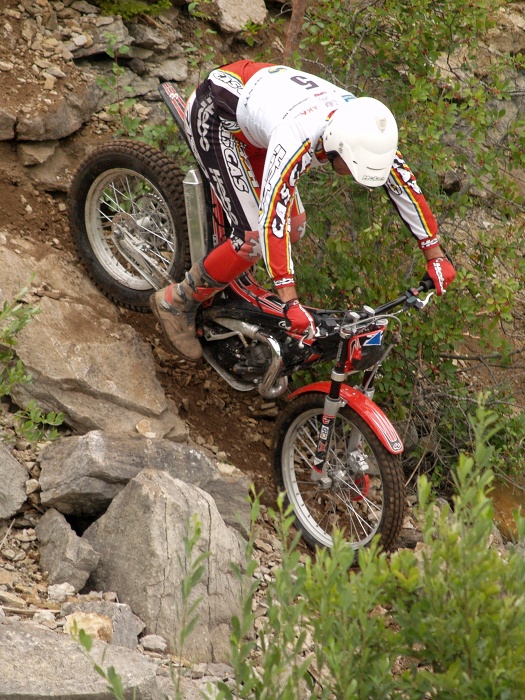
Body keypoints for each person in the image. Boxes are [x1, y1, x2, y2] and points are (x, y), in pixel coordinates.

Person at [150, 60, 456, 361]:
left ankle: (227, 273)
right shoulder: (297, 136)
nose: (354, 177)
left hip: (261, 118)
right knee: (252, 239)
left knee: (295, 227)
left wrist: (435, 254)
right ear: (336, 147)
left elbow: (405, 185)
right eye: (352, 168)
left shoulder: (364, 126)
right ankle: (177, 301)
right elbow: (272, 217)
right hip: (218, 113)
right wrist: (290, 301)